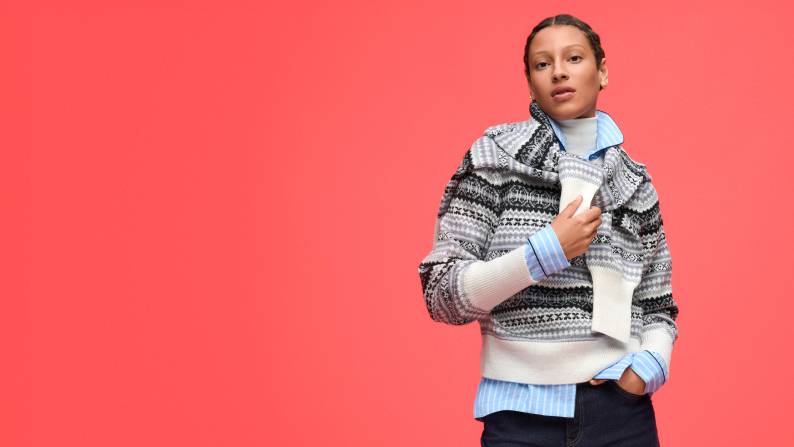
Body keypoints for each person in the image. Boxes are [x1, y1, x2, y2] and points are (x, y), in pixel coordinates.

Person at [417, 13, 679, 447]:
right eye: (543, 64)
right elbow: (441, 294)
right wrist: (544, 253)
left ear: (602, 71)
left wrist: (649, 366)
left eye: (573, 58)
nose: (558, 71)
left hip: (621, 415)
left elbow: (658, 306)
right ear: (530, 82)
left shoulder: (634, 182)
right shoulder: (494, 158)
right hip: (521, 417)